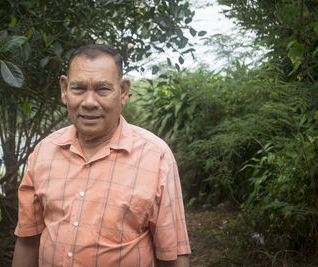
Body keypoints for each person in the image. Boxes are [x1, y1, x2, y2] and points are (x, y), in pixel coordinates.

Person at [12, 44, 191, 267]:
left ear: (123, 91)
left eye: (102, 89)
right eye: (78, 89)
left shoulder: (156, 157)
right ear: (64, 89)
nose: (89, 102)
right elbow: (28, 242)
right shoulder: (43, 153)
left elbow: (172, 255)